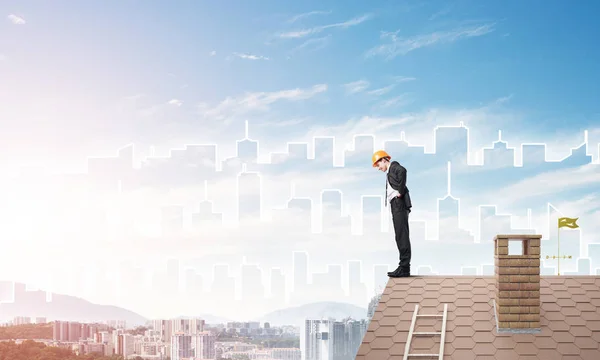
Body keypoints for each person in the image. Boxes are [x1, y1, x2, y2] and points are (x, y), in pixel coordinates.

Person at [372, 150, 412, 278]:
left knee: (402, 235)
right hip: (396, 205)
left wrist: (400, 191)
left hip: (399, 203)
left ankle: (404, 268)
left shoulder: (394, 167)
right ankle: (403, 266)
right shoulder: (390, 172)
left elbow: (403, 170)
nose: (378, 168)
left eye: (378, 165)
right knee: (399, 235)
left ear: (384, 160)